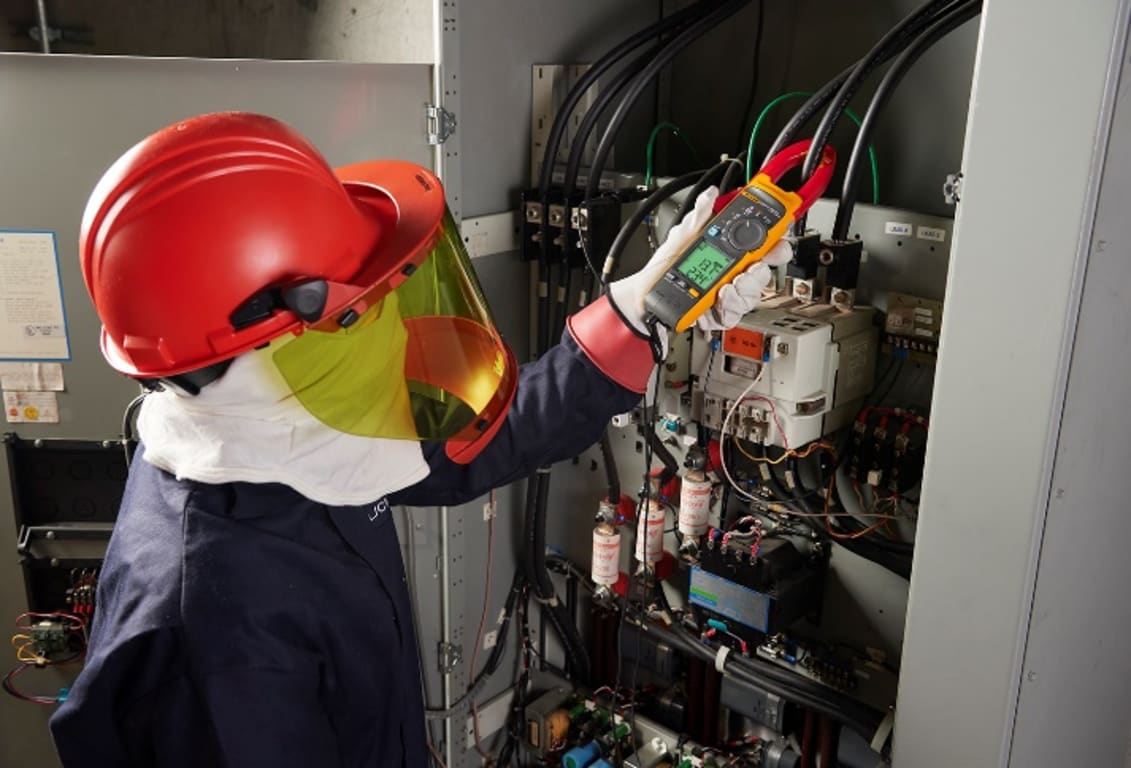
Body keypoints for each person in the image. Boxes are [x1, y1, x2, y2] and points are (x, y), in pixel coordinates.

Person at [48, 112, 790, 767]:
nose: (387, 324)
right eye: (360, 309)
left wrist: (641, 313)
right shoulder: (208, 634)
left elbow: (478, 440)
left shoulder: (282, 434)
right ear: (271, 340)